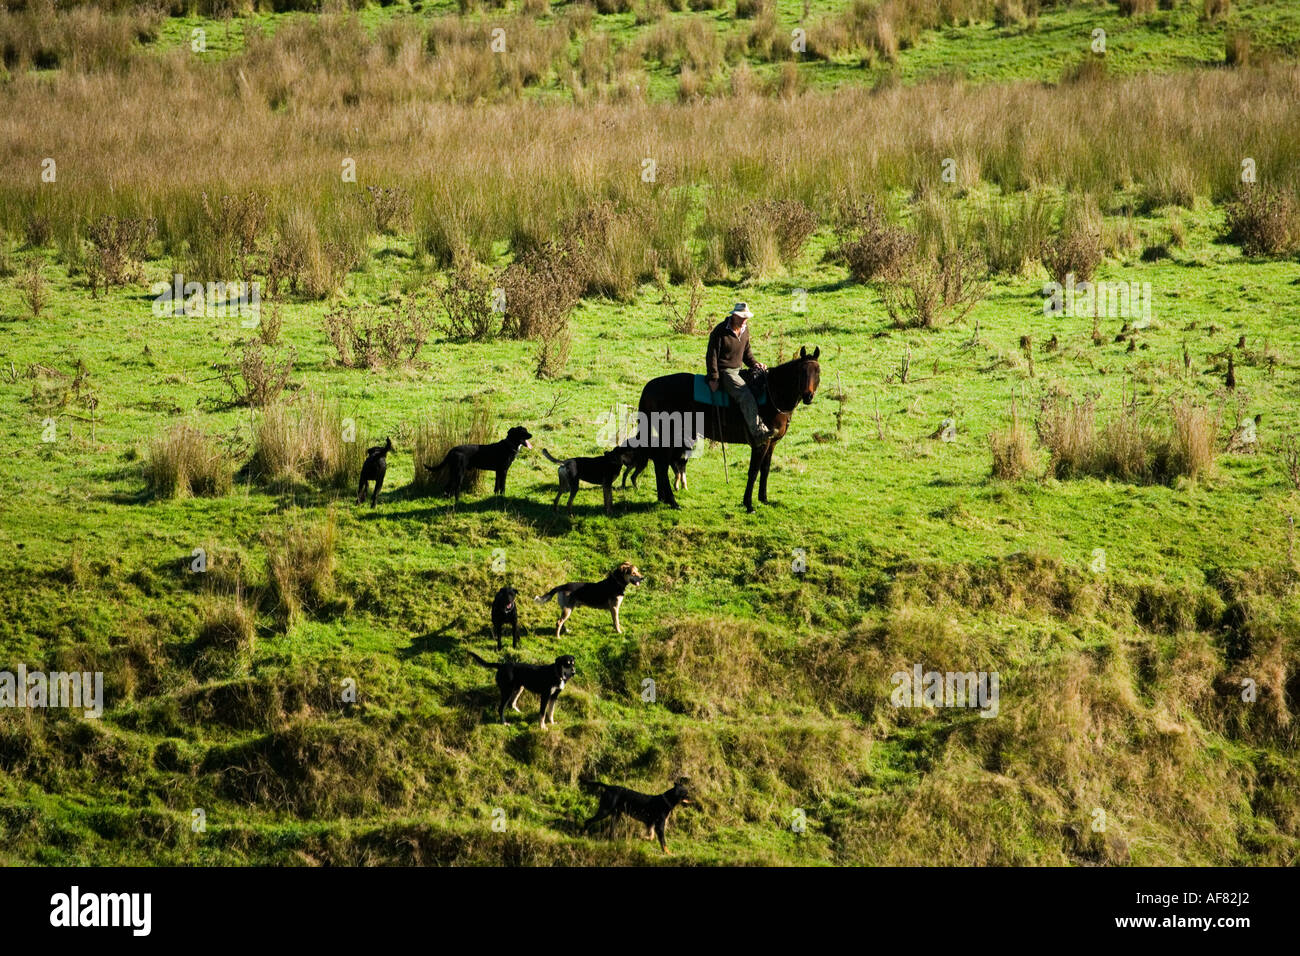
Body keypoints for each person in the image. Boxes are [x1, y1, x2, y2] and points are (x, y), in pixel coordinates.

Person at [705, 302, 771, 447]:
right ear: (734, 316)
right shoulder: (720, 331)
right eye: (741, 318)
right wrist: (714, 378)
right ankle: (758, 432)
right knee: (744, 395)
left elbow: (746, 353)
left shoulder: (745, 330)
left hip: (739, 370)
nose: (744, 321)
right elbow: (712, 356)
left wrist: (755, 364)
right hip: (725, 372)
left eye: (746, 318)